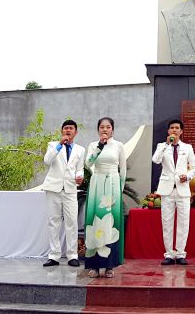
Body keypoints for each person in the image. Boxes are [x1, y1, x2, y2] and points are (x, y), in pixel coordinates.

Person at [84, 117, 126, 278]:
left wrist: (119, 190)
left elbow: (122, 169)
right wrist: (100, 146)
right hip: (97, 182)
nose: (105, 130)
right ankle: (94, 265)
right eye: (102, 127)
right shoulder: (93, 145)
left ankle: (109, 265)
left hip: (113, 183)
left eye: (108, 127)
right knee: (95, 221)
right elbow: (88, 163)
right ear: (98, 130)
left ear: (112, 130)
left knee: (110, 222)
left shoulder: (119, 146)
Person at [152, 119, 195, 265]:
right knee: (167, 222)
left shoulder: (187, 147)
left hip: (183, 189)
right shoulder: (162, 146)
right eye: (172, 128)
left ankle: (181, 253)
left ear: (181, 131)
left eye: (177, 128)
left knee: (184, 222)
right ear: (168, 131)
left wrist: (188, 176)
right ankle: (169, 254)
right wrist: (166, 145)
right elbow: (156, 160)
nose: (174, 130)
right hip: (167, 189)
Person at [42, 119, 86, 267]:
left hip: (70, 188)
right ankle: (54, 256)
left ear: (76, 132)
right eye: (66, 128)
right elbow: (47, 161)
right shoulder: (53, 145)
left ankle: (72, 255)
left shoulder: (80, 149)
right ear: (62, 131)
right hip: (53, 188)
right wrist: (60, 144)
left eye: (71, 128)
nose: (68, 131)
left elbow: (79, 168)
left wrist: (80, 177)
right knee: (53, 221)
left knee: (72, 222)